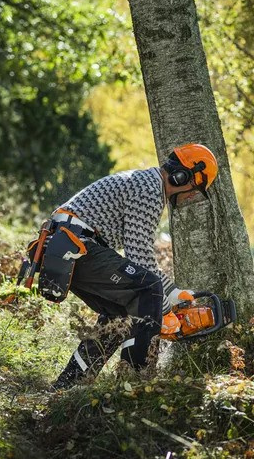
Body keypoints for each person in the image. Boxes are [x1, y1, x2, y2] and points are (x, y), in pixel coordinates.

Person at [47, 143, 218, 390]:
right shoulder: (150, 189)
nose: (192, 195)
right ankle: (136, 383)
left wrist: (173, 293)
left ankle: (66, 386)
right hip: (74, 244)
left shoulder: (146, 183)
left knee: (121, 313)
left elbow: (138, 258)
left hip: (67, 246)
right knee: (148, 288)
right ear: (182, 177)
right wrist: (164, 310)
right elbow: (139, 258)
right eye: (195, 189)